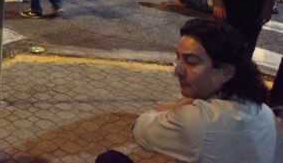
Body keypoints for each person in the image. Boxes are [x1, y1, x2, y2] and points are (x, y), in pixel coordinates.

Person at [96, 18, 281, 163]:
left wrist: (185, 103)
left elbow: (139, 128)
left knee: (110, 160)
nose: (177, 70)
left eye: (191, 62)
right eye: (178, 59)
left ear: (226, 72)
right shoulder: (264, 112)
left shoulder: (198, 120)